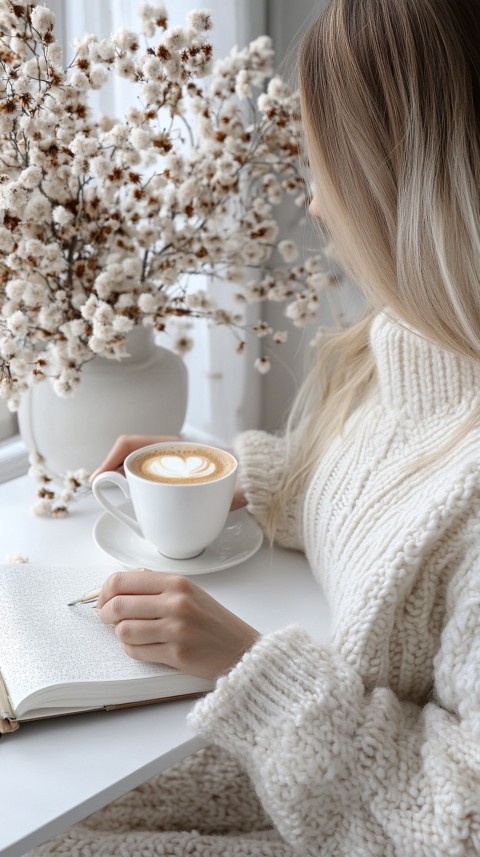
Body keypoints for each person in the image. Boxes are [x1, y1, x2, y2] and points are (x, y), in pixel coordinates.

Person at [31, 0, 480, 855]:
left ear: (400, 185)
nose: (312, 203)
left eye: (325, 169)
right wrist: (237, 480)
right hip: (327, 763)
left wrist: (249, 665)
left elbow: (459, 826)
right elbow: (370, 495)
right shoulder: (401, 356)